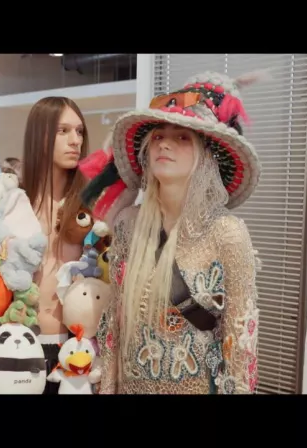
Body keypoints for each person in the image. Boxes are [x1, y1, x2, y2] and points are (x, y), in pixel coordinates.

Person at [81, 71, 262, 394]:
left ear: (205, 153)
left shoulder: (226, 233)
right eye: (158, 136)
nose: (165, 143)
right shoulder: (128, 224)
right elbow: (114, 325)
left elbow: (240, 341)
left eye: (182, 137)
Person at [19, 96, 91, 394]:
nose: (75, 140)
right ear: (40, 136)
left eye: (79, 131)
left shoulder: (90, 210)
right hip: (20, 346)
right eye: (63, 131)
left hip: (76, 352)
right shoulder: (13, 205)